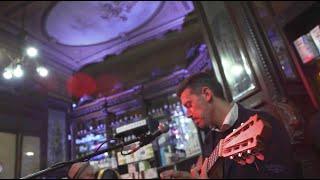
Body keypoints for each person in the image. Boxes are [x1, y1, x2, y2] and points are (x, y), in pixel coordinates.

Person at [160, 72, 297, 179]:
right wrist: (189, 177)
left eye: (189, 105)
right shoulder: (209, 140)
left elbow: (285, 174)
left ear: (207, 94)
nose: (188, 115)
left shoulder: (261, 123)